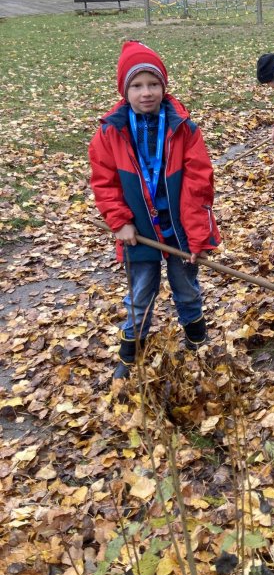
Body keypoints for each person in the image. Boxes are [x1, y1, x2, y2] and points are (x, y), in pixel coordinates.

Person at [89, 40, 221, 380]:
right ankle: (131, 354)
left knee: (187, 289)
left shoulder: (184, 129)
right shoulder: (110, 134)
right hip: (139, 233)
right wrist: (119, 222)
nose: (146, 92)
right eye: (137, 85)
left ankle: (197, 341)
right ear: (124, 90)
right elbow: (104, 184)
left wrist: (197, 238)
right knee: (140, 294)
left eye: (153, 84)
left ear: (164, 86)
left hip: (178, 228)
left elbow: (198, 186)